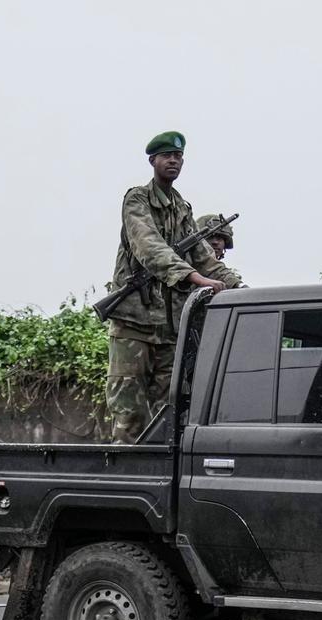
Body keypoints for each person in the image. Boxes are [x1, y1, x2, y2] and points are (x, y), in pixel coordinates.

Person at [102, 131, 242, 441]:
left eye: (178, 156)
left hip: (169, 329)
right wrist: (193, 277)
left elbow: (205, 258)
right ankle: (127, 479)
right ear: (153, 160)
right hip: (133, 323)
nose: (173, 161)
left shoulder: (183, 209)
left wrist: (239, 289)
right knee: (130, 414)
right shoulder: (137, 199)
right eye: (167, 156)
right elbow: (149, 246)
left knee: (170, 412)